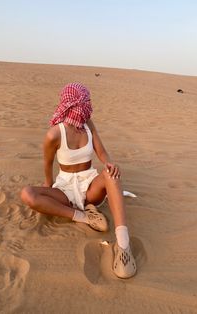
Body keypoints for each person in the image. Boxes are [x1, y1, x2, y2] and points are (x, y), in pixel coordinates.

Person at [21, 83, 136, 279]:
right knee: (27, 194)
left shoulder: (88, 124)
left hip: (90, 186)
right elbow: (47, 163)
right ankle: (83, 216)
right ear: (71, 104)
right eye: (84, 103)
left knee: (112, 175)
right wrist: (47, 186)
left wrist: (109, 164)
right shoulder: (54, 134)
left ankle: (123, 246)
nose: (87, 107)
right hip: (65, 189)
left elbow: (101, 151)